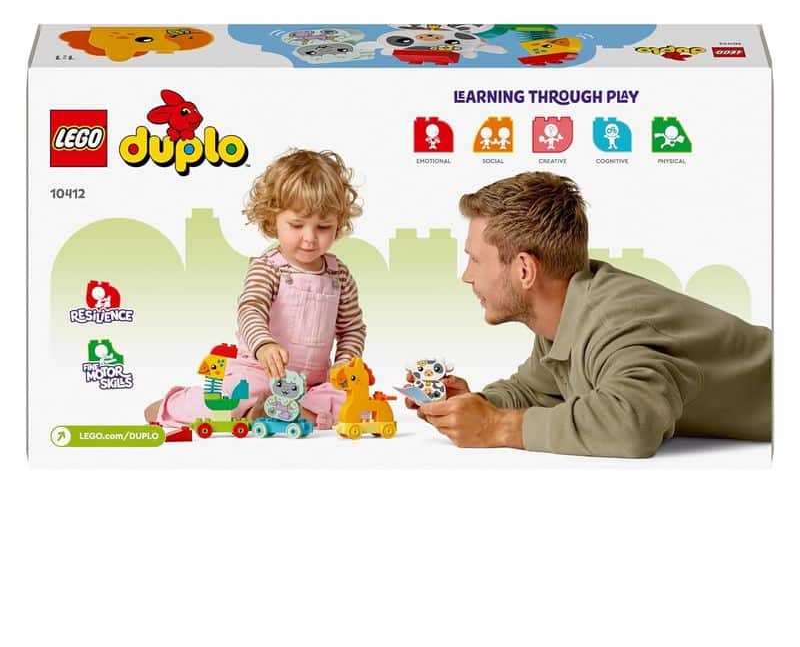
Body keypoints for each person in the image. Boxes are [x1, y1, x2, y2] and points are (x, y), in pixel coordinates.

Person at [411, 172, 772, 458]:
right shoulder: (568, 314)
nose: (467, 276)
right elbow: (538, 391)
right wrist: (475, 405)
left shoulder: (612, 321)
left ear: (524, 270)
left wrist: (497, 427)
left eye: (476, 259)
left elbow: (631, 425)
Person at [145, 148, 367, 430]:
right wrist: (264, 344)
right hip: (258, 373)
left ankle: (279, 410)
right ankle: (174, 405)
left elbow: (352, 328)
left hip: (313, 384)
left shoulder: (339, 274)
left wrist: (344, 364)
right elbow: (250, 309)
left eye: (323, 227)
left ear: (339, 223)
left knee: (355, 404)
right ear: (273, 219)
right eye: (297, 225)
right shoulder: (268, 267)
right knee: (225, 402)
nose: (310, 238)